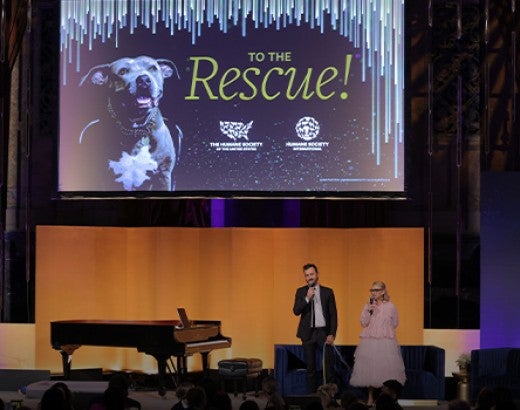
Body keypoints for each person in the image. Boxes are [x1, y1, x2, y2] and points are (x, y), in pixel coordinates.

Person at [349, 281, 405, 406]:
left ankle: (385, 399)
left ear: (383, 291)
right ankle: (370, 397)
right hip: (370, 341)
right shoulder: (368, 305)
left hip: (385, 341)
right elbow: (363, 323)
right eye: (372, 290)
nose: (373, 293)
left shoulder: (391, 306)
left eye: (376, 290)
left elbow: (395, 323)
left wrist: (384, 328)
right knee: (370, 369)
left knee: (386, 369)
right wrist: (368, 310)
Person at [293, 263, 338, 393]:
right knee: (310, 369)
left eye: (311, 274)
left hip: (323, 333)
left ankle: (330, 397)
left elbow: (333, 315)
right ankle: (312, 398)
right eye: (307, 275)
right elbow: (296, 311)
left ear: (317, 275)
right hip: (307, 334)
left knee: (328, 367)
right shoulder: (301, 291)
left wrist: (332, 334)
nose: (309, 277)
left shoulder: (327, 292)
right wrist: (307, 298)